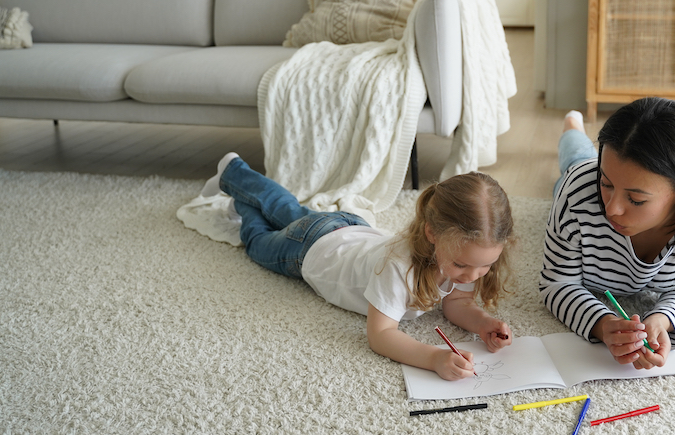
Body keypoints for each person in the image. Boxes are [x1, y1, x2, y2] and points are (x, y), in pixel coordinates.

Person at [202, 153, 516, 381]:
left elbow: (457, 303)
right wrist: (433, 358)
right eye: (462, 266)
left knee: (290, 210)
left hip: (348, 227)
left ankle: (233, 170)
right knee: (258, 243)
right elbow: (380, 334)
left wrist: (482, 323)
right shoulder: (398, 267)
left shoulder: (467, 256)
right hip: (311, 250)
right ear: (431, 234)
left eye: (484, 267)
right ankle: (241, 199)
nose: (472, 276)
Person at [541, 97, 675, 370]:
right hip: (578, 175)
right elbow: (555, 284)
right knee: (576, 158)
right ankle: (572, 127)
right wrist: (603, 324)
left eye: (636, 199)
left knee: (584, 162)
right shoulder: (578, 192)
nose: (612, 209)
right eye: (606, 183)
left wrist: (662, 319)